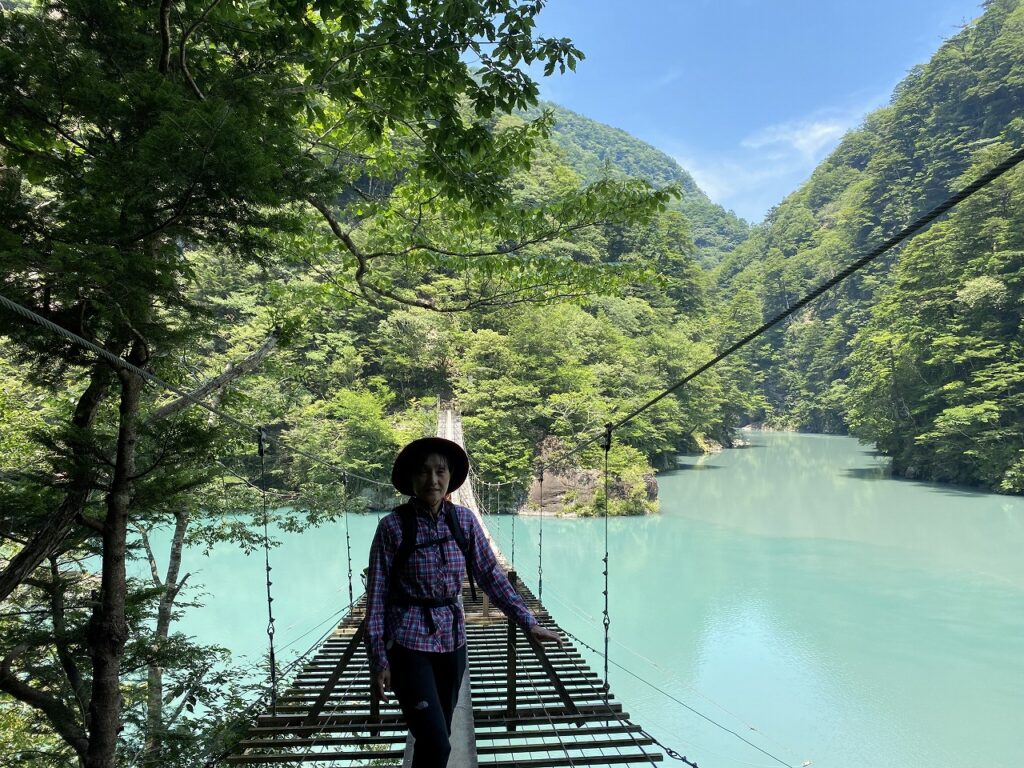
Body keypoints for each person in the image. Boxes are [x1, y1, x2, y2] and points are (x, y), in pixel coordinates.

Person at [365, 437, 560, 767]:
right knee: (436, 741)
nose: (432, 480)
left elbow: (491, 578)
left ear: (450, 477)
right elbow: (377, 597)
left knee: (438, 740)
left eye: (440, 471)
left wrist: (529, 622)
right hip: (408, 643)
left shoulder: (465, 521)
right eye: (424, 472)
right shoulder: (392, 527)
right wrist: (378, 659)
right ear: (411, 479)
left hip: (453, 642)